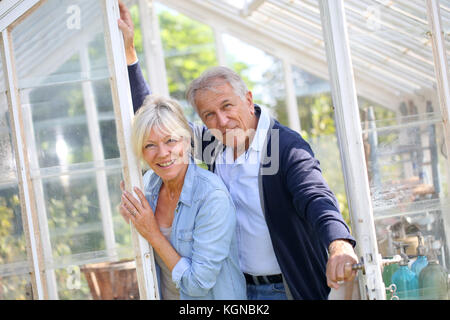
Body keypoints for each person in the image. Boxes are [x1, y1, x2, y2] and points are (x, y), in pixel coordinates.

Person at [118, 0, 359, 300]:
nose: (221, 120)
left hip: (286, 288)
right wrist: (129, 54)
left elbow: (316, 198)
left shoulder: (284, 147)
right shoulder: (214, 143)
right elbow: (157, 124)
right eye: (208, 115)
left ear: (247, 98)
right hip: (239, 291)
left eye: (227, 106)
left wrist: (339, 243)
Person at [119, 94, 246, 300]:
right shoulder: (149, 186)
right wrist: (131, 215)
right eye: (150, 145)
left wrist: (153, 233)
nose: (162, 153)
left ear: (186, 141)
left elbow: (198, 285)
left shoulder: (211, 197)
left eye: (170, 140)